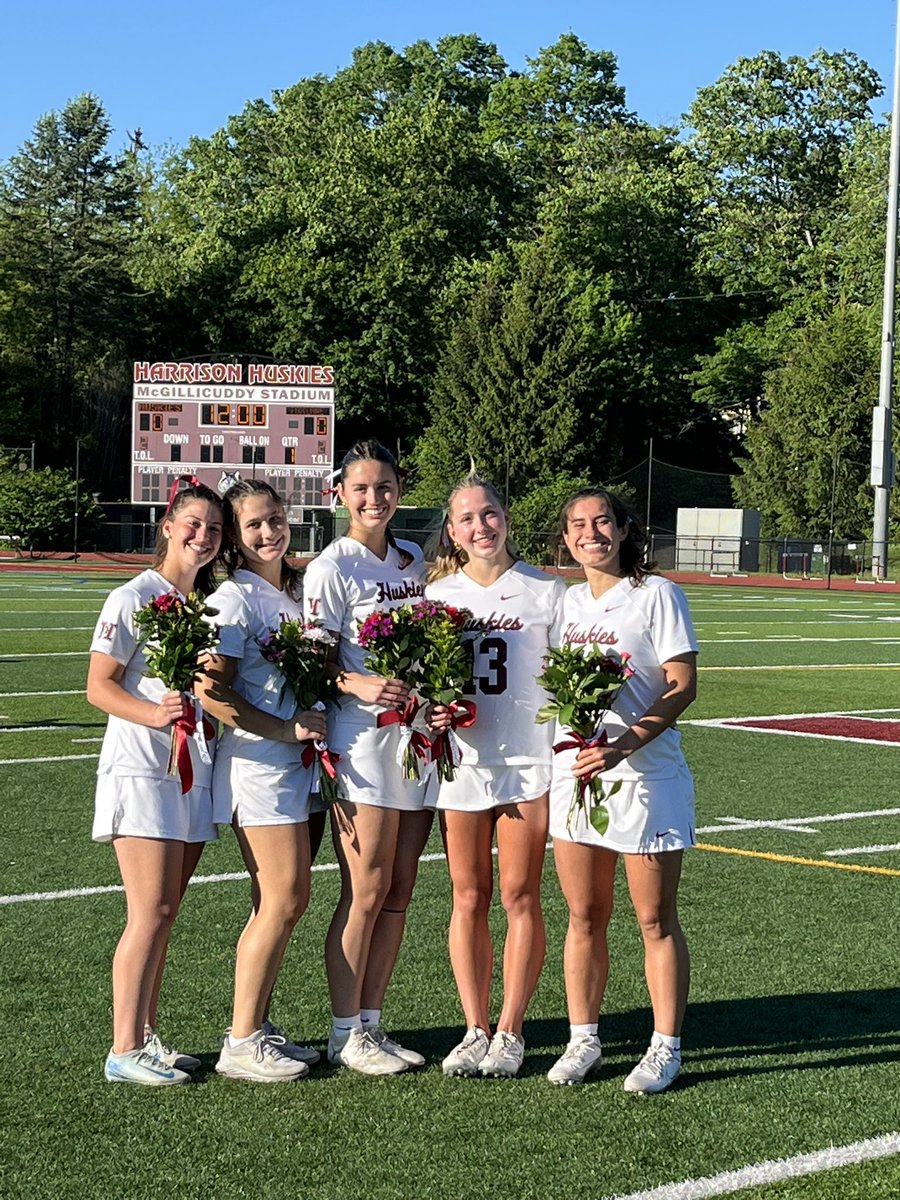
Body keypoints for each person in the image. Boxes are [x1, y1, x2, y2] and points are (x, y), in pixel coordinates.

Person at [547, 488, 697, 1093]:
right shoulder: (566, 602)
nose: (591, 533)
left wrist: (623, 745)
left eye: (602, 520)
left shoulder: (657, 594)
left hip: (645, 777)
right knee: (583, 915)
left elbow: (682, 685)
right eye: (578, 524)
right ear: (565, 537)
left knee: (654, 918)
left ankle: (666, 1047)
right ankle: (583, 1038)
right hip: (577, 778)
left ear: (625, 528)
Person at [425, 473, 565, 1079]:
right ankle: (473, 1025)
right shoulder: (437, 597)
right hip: (461, 761)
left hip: (527, 761)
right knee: (467, 895)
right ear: (452, 531)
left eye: (489, 514)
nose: (480, 527)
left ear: (505, 518)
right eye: (466, 519)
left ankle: (511, 1028)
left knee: (519, 894)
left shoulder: (546, 590)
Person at [87, 481, 225, 1086]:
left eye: (214, 530)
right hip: (144, 766)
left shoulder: (201, 604)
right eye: (192, 524)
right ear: (166, 526)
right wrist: (156, 715)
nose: (203, 537)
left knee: (167, 912)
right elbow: (99, 686)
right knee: (150, 910)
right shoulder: (133, 596)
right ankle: (123, 1049)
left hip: (190, 770)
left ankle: (144, 1037)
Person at [302, 439, 433, 1075]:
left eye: (384, 487)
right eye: (361, 488)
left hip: (417, 739)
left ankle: (373, 1024)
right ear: (341, 495)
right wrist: (353, 683)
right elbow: (313, 664)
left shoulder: (413, 563)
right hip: (361, 739)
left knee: (401, 888)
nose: (374, 498)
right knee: (366, 886)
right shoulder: (332, 566)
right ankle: (343, 1029)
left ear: (399, 491)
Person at [193, 480, 328, 1082]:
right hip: (258, 767)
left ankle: (259, 1025)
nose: (269, 533)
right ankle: (241, 1040)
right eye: (254, 526)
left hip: (299, 769)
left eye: (275, 520)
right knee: (284, 899)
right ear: (236, 537)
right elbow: (210, 691)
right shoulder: (232, 598)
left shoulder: (294, 592)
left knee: (274, 903)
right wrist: (284, 729)